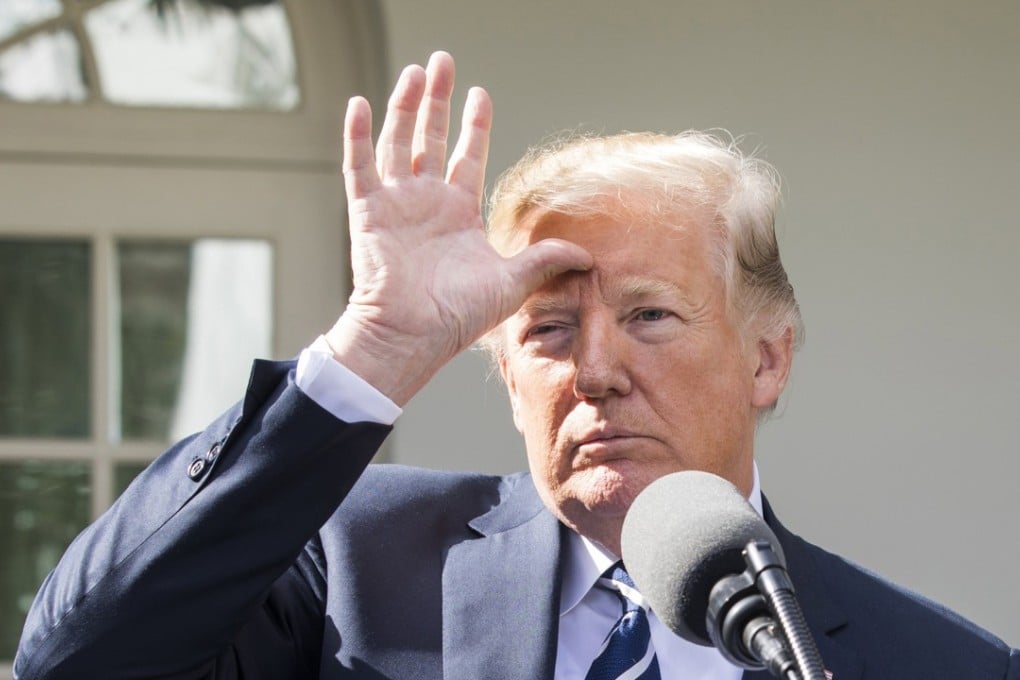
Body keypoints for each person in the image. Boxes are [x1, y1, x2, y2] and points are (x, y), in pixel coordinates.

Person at [14, 52, 1018, 680]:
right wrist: (375, 346)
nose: (597, 369)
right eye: (547, 330)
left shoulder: (938, 662)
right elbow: (78, 662)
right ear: (501, 373)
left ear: (768, 357)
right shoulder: (357, 563)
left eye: (650, 315)